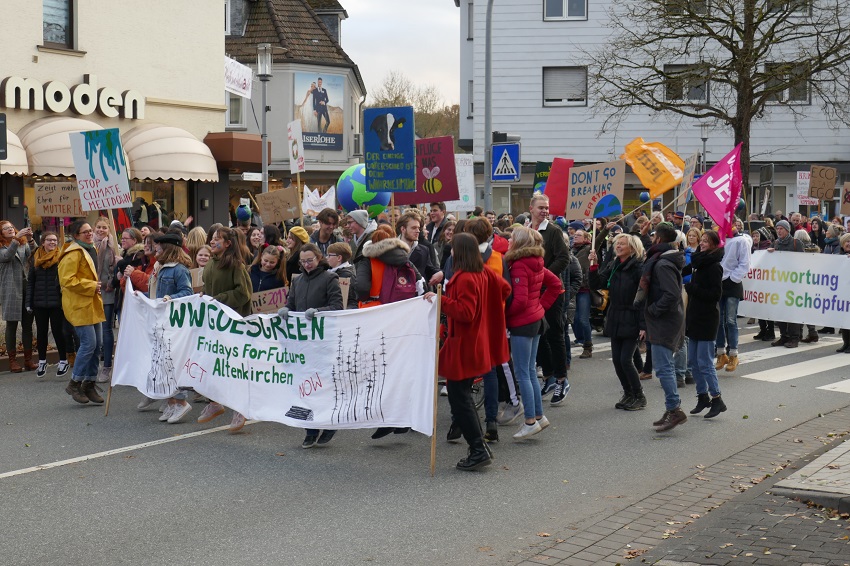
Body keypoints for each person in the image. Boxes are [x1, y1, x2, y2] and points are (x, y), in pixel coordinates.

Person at [423, 233, 511, 471]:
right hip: (475, 341)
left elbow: (465, 312)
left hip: (465, 343)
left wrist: (441, 299)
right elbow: (504, 289)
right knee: (461, 395)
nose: (450, 253)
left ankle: (478, 449)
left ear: (459, 252)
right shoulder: (483, 272)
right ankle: (479, 445)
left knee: (459, 397)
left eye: (452, 249)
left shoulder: (465, 278)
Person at [278, 243, 343, 448]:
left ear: (318, 258)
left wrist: (318, 311)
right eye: (303, 261)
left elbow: (337, 307)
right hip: (301, 344)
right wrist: (286, 310)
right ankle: (310, 429)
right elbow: (292, 303)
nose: (306, 265)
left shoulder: (329, 278)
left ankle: (329, 423)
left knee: (320, 384)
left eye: (310, 260)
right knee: (303, 386)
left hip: (322, 342)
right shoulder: (297, 281)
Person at [504, 227, 561, 438]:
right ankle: (538, 416)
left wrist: (505, 315)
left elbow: (518, 301)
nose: (509, 240)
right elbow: (556, 285)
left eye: (511, 238)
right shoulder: (536, 261)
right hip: (535, 320)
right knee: (528, 370)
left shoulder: (519, 264)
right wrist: (540, 307)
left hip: (523, 323)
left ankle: (530, 421)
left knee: (522, 373)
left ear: (519, 242)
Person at [196, 227, 253, 432]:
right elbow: (210, 288)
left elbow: (244, 293)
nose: (212, 242)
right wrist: (203, 296)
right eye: (212, 239)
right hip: (214, 322)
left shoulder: (236, 265)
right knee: (211, 361)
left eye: (217, 239)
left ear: (228, 244)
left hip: (233, 323)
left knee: (234, 366)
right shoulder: (211, 263)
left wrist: (218, 300)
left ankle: (240, 408)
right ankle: (214, 402)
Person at [638, 223, 687, 432]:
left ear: (658, 239)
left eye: (653, 235)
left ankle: (675, 410)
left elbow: (671, 294)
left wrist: (653, 310)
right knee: (663, 366)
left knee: (664, 367)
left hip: (665, 320)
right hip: (664, 318)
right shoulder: (660, 259)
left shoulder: (662, 264)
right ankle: (671, 408)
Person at [588, 234, 646, 410]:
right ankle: (628, 393)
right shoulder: (615, 265)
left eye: (622, 244)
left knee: (626, 360)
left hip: (632, 316)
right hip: (615, 315)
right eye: (617, 243)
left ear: (632, 247)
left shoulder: (638, 268)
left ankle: (639, 395)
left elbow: (643, 298)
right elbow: (598, 283)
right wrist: (593, 265)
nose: (618, 246)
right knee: (617, 360)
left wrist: (643, 325)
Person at [147, 233, 195, 424]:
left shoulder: (179, 270)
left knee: (172, 362)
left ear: (169, 248)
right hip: (159, 321)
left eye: (159, 246)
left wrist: (170, 298)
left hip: (173, 324)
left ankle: (181, 402)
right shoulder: (159, 268)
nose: (156, 249)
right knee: (161, 363)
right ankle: (171, 401)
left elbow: (187, 292)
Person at [528, 194, 571, 405]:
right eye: (541, 207)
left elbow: (564, 257)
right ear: (531, 208)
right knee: (538, 334)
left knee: (554, 334)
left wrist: (544, 275)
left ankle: (562, 379)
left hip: (552, 290)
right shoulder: (526, 230)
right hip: (532, 291)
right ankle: (549, 376)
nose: (545, 211)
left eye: (547, 207)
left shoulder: (553, 231)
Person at [58, 220, 106, 405]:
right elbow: (67, 280)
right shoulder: (73, 253)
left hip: (91, 303)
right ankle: (75, 383)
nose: (89, 233)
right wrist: (92, 286)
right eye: (85, 232)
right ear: (76, 235)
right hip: (79, 304)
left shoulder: (91, 248)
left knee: (98, 344)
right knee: (89, 344)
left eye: (90, 230)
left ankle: (90, 383)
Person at [682, 230, 727, 419]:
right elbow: (682, 271)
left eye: (706, 242)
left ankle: (717, 399)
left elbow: (715, 295)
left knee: (705, 362)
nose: (702, 244)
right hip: (694, 315)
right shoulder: (698, 262)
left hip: (707, 318)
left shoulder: (714, 266)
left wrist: (692, 288)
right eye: (701, 240)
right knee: (692, 361)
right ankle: (702, 397)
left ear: (714, 245)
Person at [26, 231, 69, 378]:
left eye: (55, 240)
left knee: (58, 332)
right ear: (42, 242)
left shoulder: (61, 257)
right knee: (41, 333)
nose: (52, 242)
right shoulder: (35, 258)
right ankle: (42, 361)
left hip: (57, 302)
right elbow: (30, 282)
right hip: (39, 302)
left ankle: (63, 360)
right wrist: (28, 302)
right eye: (49, 240)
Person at [0, 220, 36, 372]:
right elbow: (7, 256)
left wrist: (31, 240)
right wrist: (16, 239)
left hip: (26, 289)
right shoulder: (2, 247)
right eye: (5, 229)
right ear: (1, 233)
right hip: (10, 290)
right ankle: (13, 361)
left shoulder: (22, 243)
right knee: (12, 326)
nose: (10, 230)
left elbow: (34, 258)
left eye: (11, 227)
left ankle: (28, 360)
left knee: (27, 326)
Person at [714, 226, 751, 372]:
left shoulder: (741, 241)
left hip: (732, 283)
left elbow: (745, 263)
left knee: (730, 320)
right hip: (719, 282)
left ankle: (734, 354)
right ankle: (721, 353)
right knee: (718, 320)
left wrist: (733, 277)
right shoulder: (720, 240)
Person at [768, 220, 804, 348]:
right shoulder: (776, 243)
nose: (778, 231)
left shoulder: (796, 243)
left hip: (793, 283)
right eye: (777, 228)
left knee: (792, 312)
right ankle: (784, 336)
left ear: (787, 230)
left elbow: (803, 262)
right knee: (780, 310)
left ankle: (794, 338)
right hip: (780, 282)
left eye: (781, 229)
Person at [93, 217, 119, 383]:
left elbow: (117, 269)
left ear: (109, 230)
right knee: (93, 331)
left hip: (107, 292)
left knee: (106, 329)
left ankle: (107, 366)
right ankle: (93, 364)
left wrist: (111, 281)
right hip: (91, 291)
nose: (101, 230)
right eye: (98, 227)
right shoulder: (90, 246)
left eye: (104, 228)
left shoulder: (113, 247)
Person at [326, 242, 357, 309]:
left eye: (329, 255)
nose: (327, 258)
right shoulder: (335, 272)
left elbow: (352, 299)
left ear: (339, 258)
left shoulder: (346, 275)